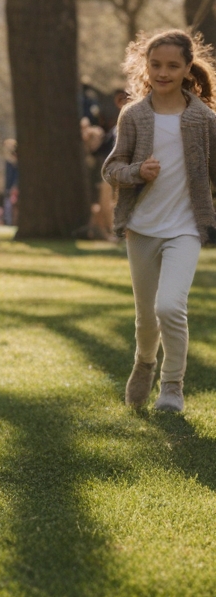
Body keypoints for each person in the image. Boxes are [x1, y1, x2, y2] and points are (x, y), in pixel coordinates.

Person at [103, 29, 216, 413]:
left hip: (185, 227)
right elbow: (111, 169)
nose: (163, 72)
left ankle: (172, 386)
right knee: (146, 318)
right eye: (155, 65)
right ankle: (144, 363)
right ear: (145, 67)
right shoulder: (134, 115)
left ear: (188, 69)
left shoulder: (204, 119)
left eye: (172, 65)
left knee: (170, 306)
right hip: (142, 227)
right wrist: (138, 171)